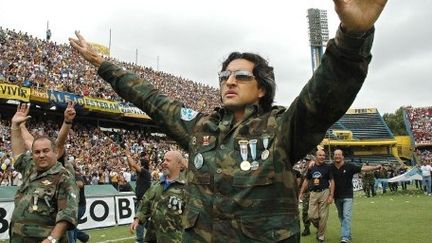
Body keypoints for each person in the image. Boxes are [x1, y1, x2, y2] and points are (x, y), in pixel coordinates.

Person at [70, 1, 388, 241]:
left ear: (262, 87)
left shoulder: (282, 128)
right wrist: (102, 64)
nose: (229, 81)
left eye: (240, 75)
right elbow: (151, 98)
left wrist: (353, 36)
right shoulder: (200, 128)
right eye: (224, 76)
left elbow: (325, 95)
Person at [9, 103, 78, 243]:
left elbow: (67, 213)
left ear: (55, 153)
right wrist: (16, 126)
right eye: (37, 152)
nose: (41, 155)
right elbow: (18, 153)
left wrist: (52, 238)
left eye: (46, 151)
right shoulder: (30, 167)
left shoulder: (63, 176)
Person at [129, 151, 186, 242]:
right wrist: (137, 219)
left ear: (178, 164)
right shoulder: (156, 186)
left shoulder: (187, 188)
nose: (164, 163)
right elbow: (146, 204)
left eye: (168, 160)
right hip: (154, 238)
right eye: (164, 160)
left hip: (176, 239)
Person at [330, 149, 381, 243]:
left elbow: (363, 168)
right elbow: (320, 167)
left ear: (342, 156)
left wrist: (375, 167)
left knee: (346, 215)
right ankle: (347, 234)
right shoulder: (330, 167)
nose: (337, 156)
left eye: (339, 154)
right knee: (341, 216)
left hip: (348, 196)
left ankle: (345, 237)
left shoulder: (349, 166)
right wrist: (312, 163)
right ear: (333, 156)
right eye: (335, 154)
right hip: (337, 196)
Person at [298, 150, 334, 242]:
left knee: (323, 216)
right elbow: (306, 180)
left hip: (324, 192)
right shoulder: (311, 167)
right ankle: (320, 228)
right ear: (316, 156)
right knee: (311, 216)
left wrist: (331, 195)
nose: (322, 157)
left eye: (323, 155)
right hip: (313, 193)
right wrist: (301, 192)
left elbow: (332, 181)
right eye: (320, 155)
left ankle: (321, 235)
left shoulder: (328, 167)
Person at [126, 149, 151, 243]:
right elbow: (131, 166)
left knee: (139, 221)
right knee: (146, 221)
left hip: (143, 201)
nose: (137, 164)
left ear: (142, 164)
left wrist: (128, 155)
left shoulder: (144, 172)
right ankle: (155, 233)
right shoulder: (143, 172)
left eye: (139, 163)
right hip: (141, 200)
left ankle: (139, 240)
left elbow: (133, 165)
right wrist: (127, 158)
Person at [67, 162, 90, 243]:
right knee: (70, 226)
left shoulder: (76, 176)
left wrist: (67, 184)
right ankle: (83, 237)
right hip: (73, 206)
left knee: (69, 226)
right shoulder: (65, 176)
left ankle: (80, 238)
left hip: (79, 206)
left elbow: (80, 184)